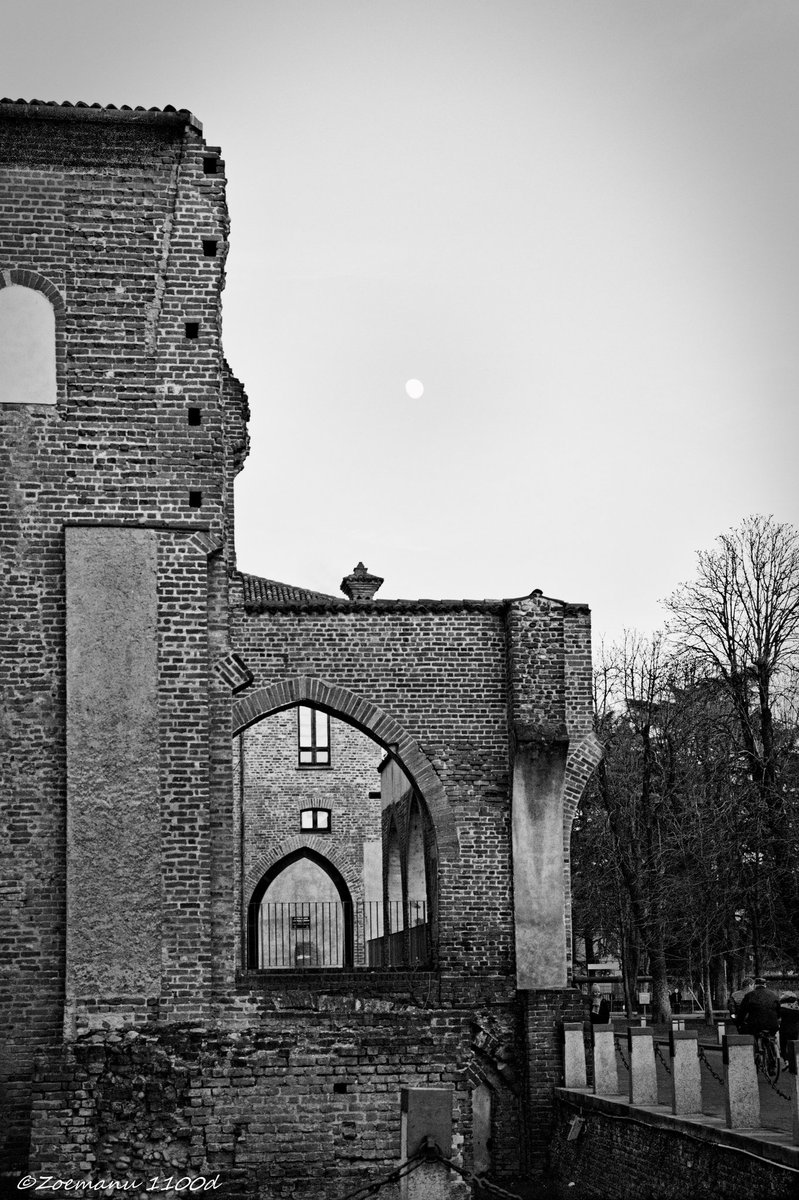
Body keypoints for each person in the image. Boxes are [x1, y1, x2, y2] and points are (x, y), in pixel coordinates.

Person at [778, 992, 799, 1065]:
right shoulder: (797, 1008)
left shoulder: (782, 1008)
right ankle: (794, 1062)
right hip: (795, 1029)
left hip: (784, 1028)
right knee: (793, 1045)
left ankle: (786, 1060)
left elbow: (777, 1017)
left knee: (783, 1045)